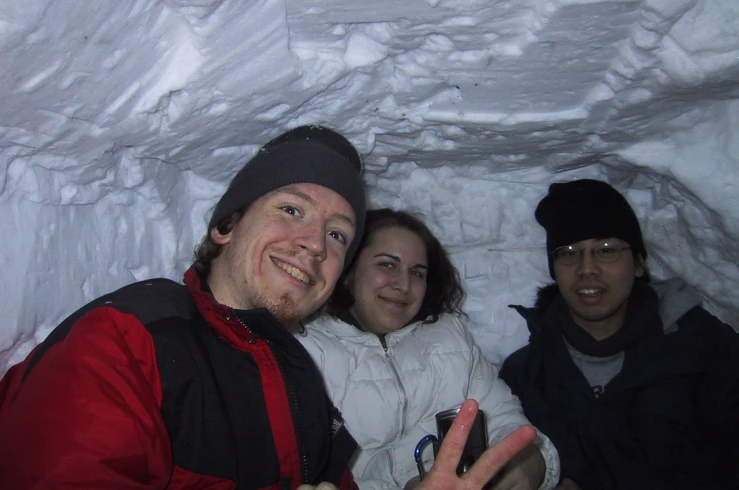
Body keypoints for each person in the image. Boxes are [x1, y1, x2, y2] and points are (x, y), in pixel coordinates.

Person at [0, 125, 536, 490]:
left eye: (336, 234)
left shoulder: (294, 375)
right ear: (226, 225)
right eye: (291, 208)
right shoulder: (129, 338)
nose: (314, 244)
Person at [499, 179, 739, 490]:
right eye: (569, 253)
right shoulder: (524, 376)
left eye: (606, 250)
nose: (587, 268)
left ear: (638, 263)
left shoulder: (708, 351)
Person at [297, 208, 560, 490]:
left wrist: (531, 461)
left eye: (417, 272)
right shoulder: (305, 351)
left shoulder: (449, 338)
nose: (403, 284)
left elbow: (503, 419)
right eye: (387, 264)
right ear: (348, 272)